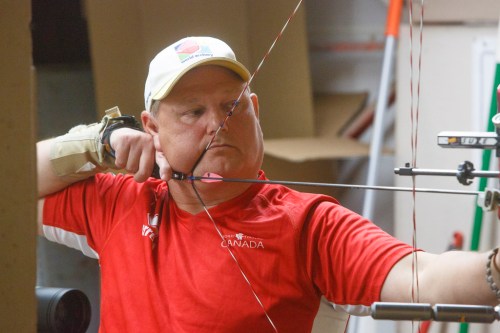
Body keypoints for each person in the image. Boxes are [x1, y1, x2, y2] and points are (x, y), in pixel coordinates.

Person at [37, 36, 500, 333]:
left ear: (255, 109)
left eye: (232, 106)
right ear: (152, 128)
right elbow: (13, 181)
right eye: (193, 111)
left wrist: (495, 270)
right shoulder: (122, 202)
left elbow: (421, 276)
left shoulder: (308, 225)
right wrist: (98, 141)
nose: (217, 124)